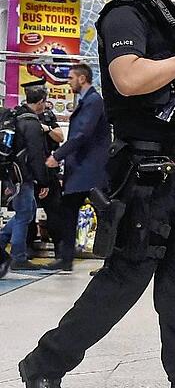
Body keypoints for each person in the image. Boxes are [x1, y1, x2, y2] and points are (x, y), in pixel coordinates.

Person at [18, 0, 175, 388]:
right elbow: (126, 79)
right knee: (122, 283)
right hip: (141, 175)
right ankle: (45, 364)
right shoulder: (125, 13)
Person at [43, 64, 110, 272]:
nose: (68, 81)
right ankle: (66, 258)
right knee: (72, 211)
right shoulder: (88, 100)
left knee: (102, 214)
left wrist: (57, 155)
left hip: (89, 170)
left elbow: (82, 134)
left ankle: (105, 260)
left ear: (82, 79)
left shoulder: (93, 101)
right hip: (84, 170)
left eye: (71, 77)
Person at [0, 79, 51, 276]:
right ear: (41, 102)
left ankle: (2, 241)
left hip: (13, 174)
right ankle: (19, 258)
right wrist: (43, 181)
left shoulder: (16, 117)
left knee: (27, 212)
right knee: (23, 215)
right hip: (23, 177)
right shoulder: (31, 123)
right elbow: (36, 156)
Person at [26, 93, 64, 259]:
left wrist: (47, 128)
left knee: (54, 211)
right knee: (26, 213)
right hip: (27, 170)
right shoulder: (21, 117)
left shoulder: (47, 117)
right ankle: (26, 248)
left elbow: (60, 136)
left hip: (47, 167)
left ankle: (60, 251)